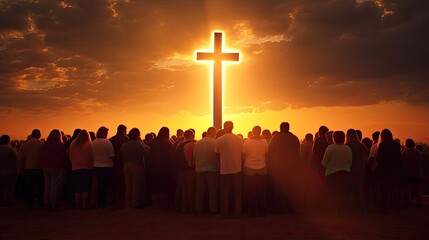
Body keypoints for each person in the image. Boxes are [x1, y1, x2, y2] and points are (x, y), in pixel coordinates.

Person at [267, 122, 301, 213]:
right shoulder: (294, 138)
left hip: (278, 167)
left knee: (278, 188)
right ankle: (290, 208)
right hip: (291, 167)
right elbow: (298, 153)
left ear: (280, 128)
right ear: (288, 128)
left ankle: (278, 208)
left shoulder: (275, 138)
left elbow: (269, 152)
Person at [215, 121, 243, 217]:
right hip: (237, 168)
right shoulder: (239, 139)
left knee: (224, 192)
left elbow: (217, 154)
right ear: (233, 127)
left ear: (224, 127)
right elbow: (242, 153)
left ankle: (224, 213)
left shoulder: (219, 140)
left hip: (224, 168)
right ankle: (237, 212)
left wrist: (220, 164)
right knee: (237, 192)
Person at [322, 131, 352, 214]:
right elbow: (349, 163)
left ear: (333, 138)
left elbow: (324, 163)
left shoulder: (330, 148)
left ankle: (332, 210)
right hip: (345, 173)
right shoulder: (348, 149)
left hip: (331, 173)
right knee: (342, 193)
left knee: (332, 193)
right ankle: (343, 210)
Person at [242, 125, 268, 217]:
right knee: (261, 191)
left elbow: (243, 155)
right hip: (261, 168)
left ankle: (252, 211)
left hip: (249, 168)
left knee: (251, 191)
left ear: (252, 132)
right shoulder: (264, 142)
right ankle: (263, 211)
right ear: (260, 132)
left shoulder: (247, 142)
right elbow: (266, 154)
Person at [193, 127, 219, 215]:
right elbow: (217, 156)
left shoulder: (198, 142)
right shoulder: (215, 142)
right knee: (212, 191)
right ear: (214, 133)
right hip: (212, 169)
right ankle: (213, 209)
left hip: (199, 169)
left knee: (199, 191)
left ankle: (199, 209)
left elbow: (194, 156)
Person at [39, 129, 67, 209]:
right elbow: (64, 157)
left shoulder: (44, 144)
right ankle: (53, 202)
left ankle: (46, 202)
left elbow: (41, 156)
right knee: (55, 185)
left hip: (45, 166)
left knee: (47, 185)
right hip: (57, 167)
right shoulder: (59, 144)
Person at [376, 129, 402, 212]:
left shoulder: (382, 145)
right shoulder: (396, 144)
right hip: (395, 169)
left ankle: (384, 206)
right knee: (394, 189)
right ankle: (395, 205)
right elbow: (399, 158)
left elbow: (379, 158)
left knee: (384, 189)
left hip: (384, 169)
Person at [18, 129, 44, 208]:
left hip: (28, 168)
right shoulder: (42, 144)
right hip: (39, 168)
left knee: (30, 187)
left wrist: (22, 169)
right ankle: (41, 202)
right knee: (40, 187)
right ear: (39, 135)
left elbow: (21, 159)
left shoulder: (24, 145)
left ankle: (30, 203)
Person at [121, 128, 146, 208]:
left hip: (126, 166)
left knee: (128, 187)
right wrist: (142, 142)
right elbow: (145, 153)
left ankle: (128, 204)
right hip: (136, 166)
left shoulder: (124, 145)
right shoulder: (138, 144)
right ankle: (135, 204)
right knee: (136, 186)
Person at [69, 130, 94, 210]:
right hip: (87, 167)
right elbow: (92, 156)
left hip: (75, 167)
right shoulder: (89, 144)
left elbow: (70, 155)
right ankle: (84, 205)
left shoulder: (73, 143)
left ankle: (77, 205)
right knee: (85, 187)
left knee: (77, 188)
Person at [346, 129, 368, 213]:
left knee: (350, 189)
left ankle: (351, 207)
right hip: (361, 169)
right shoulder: (362, 146)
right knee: (359, 188)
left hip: (351, 169)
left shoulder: (347, 146)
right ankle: (361, 207)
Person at [150, 127, 173, 209]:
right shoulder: (167, 142)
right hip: (165, 167)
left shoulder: (154, 141)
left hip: (155, 167)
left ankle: (156, 204)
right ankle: (164, 204)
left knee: (156, 185)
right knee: (164, 185)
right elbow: (171, 155)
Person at [92, 126, 115, 208]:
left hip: (97, 165)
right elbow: (112, 155)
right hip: (107, 166)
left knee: (100, 184)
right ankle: (104, 202)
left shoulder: (94, 142)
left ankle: (100, 202)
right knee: (106, 185)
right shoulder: (107, 142)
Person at [175, 129, 196, 213]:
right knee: (191, 189)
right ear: (191, 135)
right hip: (188, 170)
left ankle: (184, 207)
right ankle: (192, 208)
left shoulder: (179, 145)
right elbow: (189, 159)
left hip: (180, 170)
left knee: (184, 189)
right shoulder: (191, 144)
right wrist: (192, 165)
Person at [109, 124, 129, 207]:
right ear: (124, 130)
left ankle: (116, 199)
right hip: (124, 162)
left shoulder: (111, 139)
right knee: (123, 182)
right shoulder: (126, 139)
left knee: (115, 181)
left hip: (114, 162)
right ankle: (122, 199)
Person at [402, 139, 424, 207]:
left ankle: (408, 203)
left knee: (408, 189)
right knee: (418, 189)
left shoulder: (404, 153)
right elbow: (422, 162)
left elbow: (403, 163)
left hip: (408, 173)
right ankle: (420, 202)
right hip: (418, 173)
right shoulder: (419, 152)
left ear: (406, 144)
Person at [0, 134, 18, 206]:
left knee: (1, 187)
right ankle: (9, 201)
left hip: (1, 171)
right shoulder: (10, 149)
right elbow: (17, 158)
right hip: (11, 171)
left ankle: (1, 200)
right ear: (8, 140)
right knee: (10, 188)